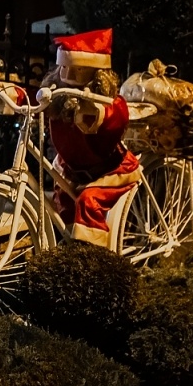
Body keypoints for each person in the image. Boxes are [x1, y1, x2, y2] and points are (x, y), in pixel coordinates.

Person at [38, 28, 139, 245]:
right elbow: (35, 99)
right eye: (64, 67)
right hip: (72, 169)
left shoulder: (108, 100)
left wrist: (97, 112)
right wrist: (15, 94)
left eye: (79, 69)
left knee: (89, 201)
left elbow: (116, 114)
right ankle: (70, 249)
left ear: (97, 73)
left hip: (108, 170)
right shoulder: (59, 94)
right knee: (63, 202)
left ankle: (94, 255)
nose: (68, 75)